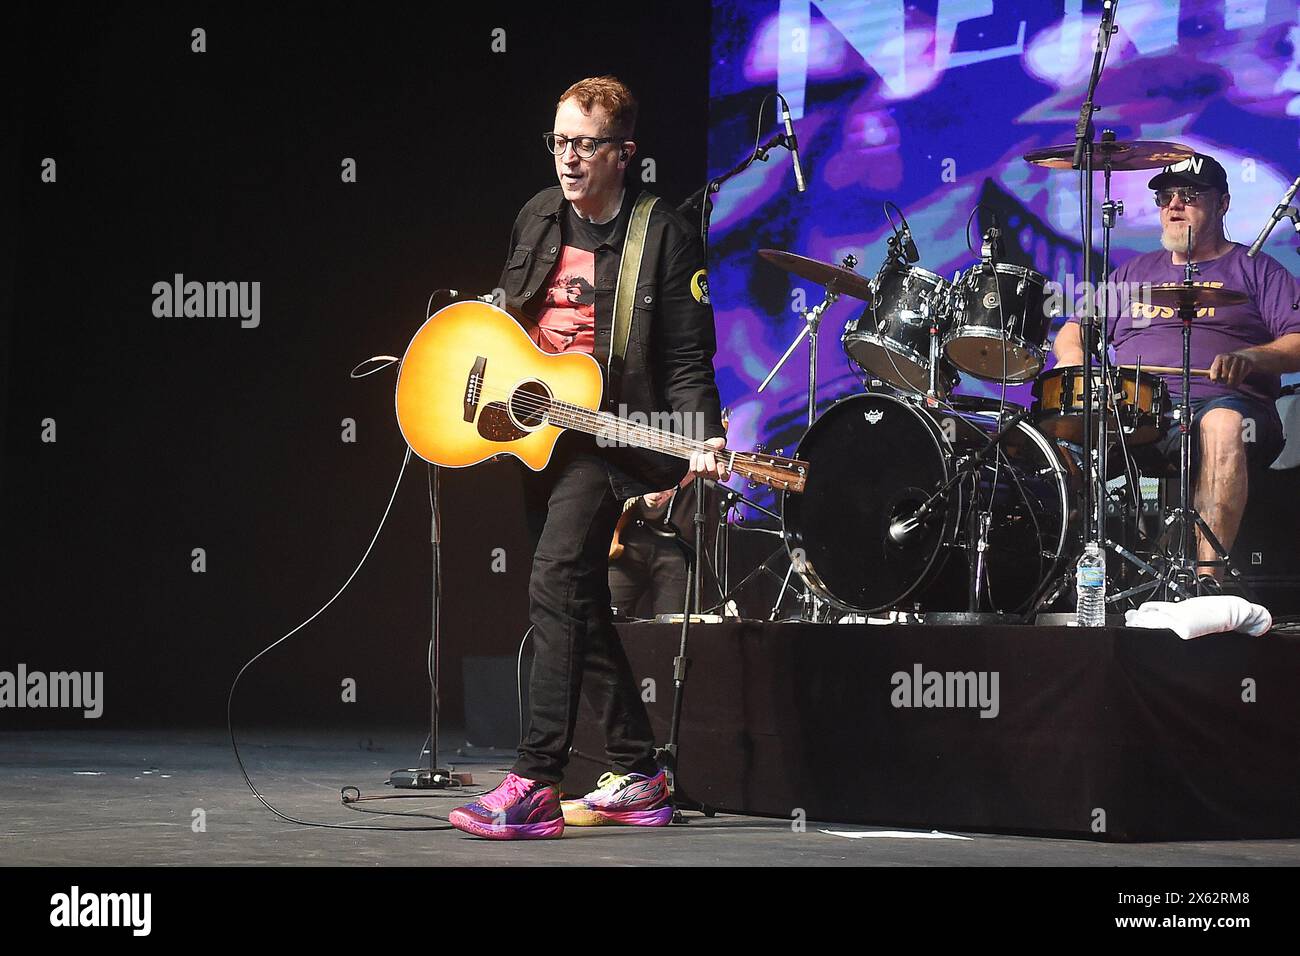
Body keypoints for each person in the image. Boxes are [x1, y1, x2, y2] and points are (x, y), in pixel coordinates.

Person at [448, 76, 727, 839]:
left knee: (552, 580)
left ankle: (537, 779)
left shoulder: (661, 233)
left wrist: (701, 437)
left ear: (624, 153)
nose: (567, 158)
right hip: (541, 435)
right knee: (579, 600)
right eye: (558, 141)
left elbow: (685, 361)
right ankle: (640, 770)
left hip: (614, 434)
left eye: (584, 144)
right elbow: (512, 317)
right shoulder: (539, 215)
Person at [1053, 153, 1300, 581]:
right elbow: (1073, 331)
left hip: (1224, 405)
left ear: (1222, 204)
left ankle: (1206, 580)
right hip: (1133, 408)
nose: (1174, 205)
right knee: (1054, 436)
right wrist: (1076, 366)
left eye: (1190, 195)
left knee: (1222, 424)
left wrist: (1251, 358)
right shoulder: (1132, 273)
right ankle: (1065, 573)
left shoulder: (1257, 269)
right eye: (1166, 197)